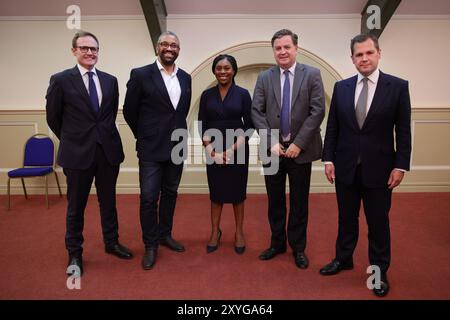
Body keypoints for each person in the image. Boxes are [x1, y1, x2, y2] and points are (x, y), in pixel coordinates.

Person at [320, 33, 411, 297]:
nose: (364, 58)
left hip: (381, 171)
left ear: (379, 53)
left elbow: (403, 132)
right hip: (345, 166)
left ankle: (379, 272)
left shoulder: (397, 86)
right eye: (359, 54)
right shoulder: (342, 87)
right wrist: (328, 159)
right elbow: (333, 126)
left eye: (369, 53)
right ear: (352, 58)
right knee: (346, 219)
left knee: (378, 223)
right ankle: (343, 258)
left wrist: (400, 165)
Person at [46, 31, 133, 277]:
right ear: (74, 51)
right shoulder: (61, 80)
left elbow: (108, 115)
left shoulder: (110, 80)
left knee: (109, 201)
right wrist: (73, 139)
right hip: (77, 154)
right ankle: (74, 252)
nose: (90, 52)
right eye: (84, 48)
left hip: (107, 152)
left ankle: (112, 242)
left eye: (94, 49)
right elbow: (53, 117)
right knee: (76, 206)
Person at [251, 29, 325, 269]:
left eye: (286, 47)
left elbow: (317, 111)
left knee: (299, 201)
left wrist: (298, 143)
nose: (282, 52)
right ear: (274, 51)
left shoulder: (312, 74)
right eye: (278, 48)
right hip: (272, 150)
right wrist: (271, 142)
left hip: (301, 151)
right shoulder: (264, 77)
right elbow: (256, 111)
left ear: (296, 49)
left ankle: (298, 248)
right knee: (274, 200)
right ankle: (277, 243)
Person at [123, 31, 192, 270]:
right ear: (157, 47)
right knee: (149, 198)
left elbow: (180, 112)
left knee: (170, 193)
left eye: (174, 44)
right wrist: (143, 135)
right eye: (165, 44)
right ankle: (150, 244)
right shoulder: (141, 74)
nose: (169, 48)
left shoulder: (186, 77)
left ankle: (165, 235)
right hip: (151, 147)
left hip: (177, 145)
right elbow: (129, 111)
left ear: (179, 50)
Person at [198, 54, 253, 255]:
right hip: (213, 148)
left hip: (237, 149)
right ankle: (215, 231)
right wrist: (212, 151)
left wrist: (230, 151)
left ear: (234, 70)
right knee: (216, 194)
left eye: (227, 68)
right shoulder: (206, 95)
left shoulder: (243, 94)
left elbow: (249, 127)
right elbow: (201, 125)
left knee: (238, 194)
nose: (223, 71)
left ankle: (239, 232)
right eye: (219, 68)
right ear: (214, 70)